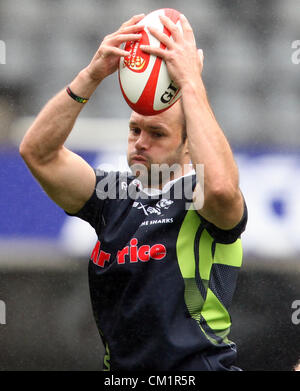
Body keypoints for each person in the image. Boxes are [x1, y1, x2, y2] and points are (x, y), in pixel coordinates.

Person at [19, 12, 247, 371]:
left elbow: (219, 187)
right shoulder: (112, 196)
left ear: (190, 146)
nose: (140, 143)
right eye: (134, 130)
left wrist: (190, 83)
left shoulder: (202, 199)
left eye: (157, 134)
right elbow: (38, 153)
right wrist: (91, 75)